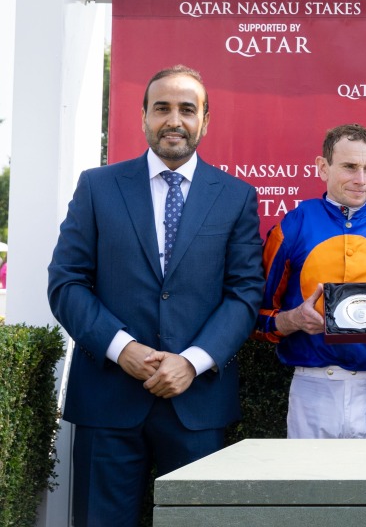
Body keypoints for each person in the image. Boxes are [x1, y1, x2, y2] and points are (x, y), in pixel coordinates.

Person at [47, 65, 262, 527]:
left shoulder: (237, 197)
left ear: (206, 120)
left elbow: (245, 293)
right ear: (143, 116)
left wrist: (192, 360)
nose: (174, 120)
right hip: (107, 398)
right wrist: (121, 348)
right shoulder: (97, 186)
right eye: (161, 107)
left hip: (197, 402)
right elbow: (66, 282)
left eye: (188, 109)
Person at [255, 124, 366, 438]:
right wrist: (292, 320)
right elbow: (256, 318)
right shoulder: (291, 227)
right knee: (310, 487)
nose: (361, 179)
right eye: (350, 167)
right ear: (323, 167)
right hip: (312, 387)